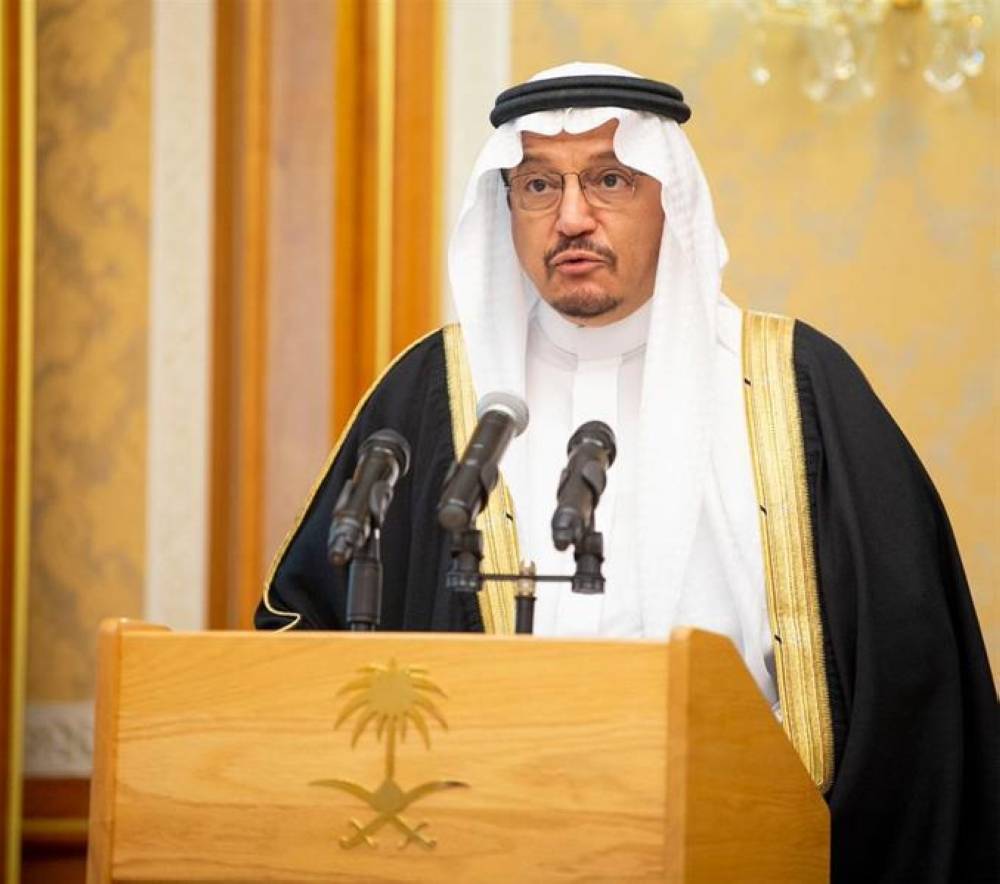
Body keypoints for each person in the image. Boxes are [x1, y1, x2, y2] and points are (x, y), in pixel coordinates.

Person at [256, 63, 996, 882]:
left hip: (747, 852)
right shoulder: (433, 394)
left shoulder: (795, 385)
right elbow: (303, 639)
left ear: (669, 198)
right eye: (539, 185)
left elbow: (917, 676)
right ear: (507, 208)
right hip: (482, 853)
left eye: (610, 179)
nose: (572, 217)